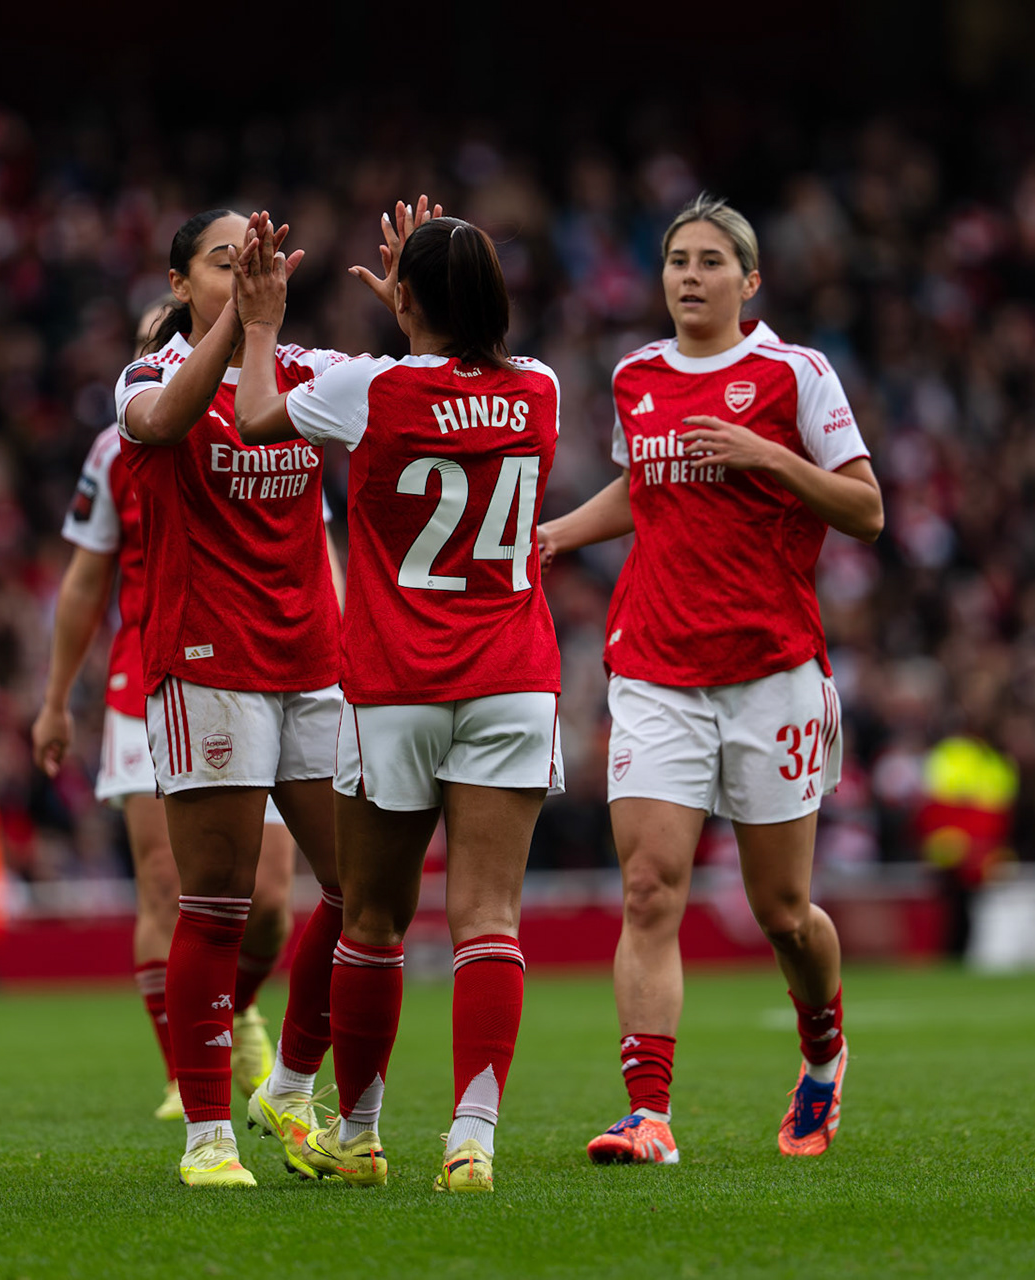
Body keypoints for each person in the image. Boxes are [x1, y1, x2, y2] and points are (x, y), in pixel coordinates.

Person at [538, 193, 883, 1166]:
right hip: (653, 665)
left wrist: (767, 454)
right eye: (676, 261)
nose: (689, 276)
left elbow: (867, 508)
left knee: (782, 910)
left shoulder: (794, 374)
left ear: (750, 279)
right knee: (650, 888)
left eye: (709, 262)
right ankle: (648, 1112)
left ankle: (824, 1049)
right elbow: (642, 487)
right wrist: (564, 528)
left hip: (771, 674)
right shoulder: (637, 374)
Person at [232, 202, 563, 1193]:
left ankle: (363, 1133)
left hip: (395, 685)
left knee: (373, 918)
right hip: (512, 679)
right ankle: (472, 1138)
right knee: (489, 918)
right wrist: (419, 310)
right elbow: (459, 375)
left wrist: (257, 325)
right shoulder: (542, 390)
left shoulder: (363, 389)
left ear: (404, 297)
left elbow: (254, 416)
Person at [113, 208, 349, 1187]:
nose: (246, 274)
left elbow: (412, 399)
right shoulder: (143, 379)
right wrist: (241, 326)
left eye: (256, 262)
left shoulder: (307, 370)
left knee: (363, 893)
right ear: (179, 285)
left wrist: (423, 297)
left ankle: (289, 1083)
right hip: (208, 662)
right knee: (214, 905)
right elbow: (163, 423)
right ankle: (206, 1134)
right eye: (224, 262)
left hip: (315, 667)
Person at [33, 346, 318, 1116]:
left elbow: (314, 545)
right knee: (171, 884)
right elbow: (88, 573)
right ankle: (183, 1075)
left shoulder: (283, 408)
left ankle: (236, 1010)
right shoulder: (119, 439)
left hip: (277, 666)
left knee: (270, 905)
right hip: (156, 674)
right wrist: (57, 698)